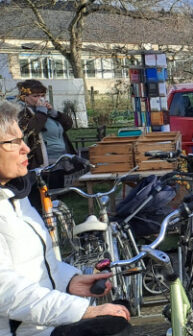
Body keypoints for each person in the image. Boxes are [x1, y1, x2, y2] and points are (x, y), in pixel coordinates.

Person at [0, 100, 131, 336]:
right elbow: (6, 292)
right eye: (14, 142)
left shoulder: (15, 197)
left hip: (43, 327)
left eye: (23, 139)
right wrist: (82, 311)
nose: (26, 149)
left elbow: (38, 265)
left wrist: (70, 281)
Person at [16, 80, 76, 169]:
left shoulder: (46, 112)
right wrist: (41, 112)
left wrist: (54, 113)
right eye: (35, 96)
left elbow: (68, 124)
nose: (41, 99)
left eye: (43, 95)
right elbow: (31, 130)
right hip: (44, 162)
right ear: (25, 98)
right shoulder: (23, 113)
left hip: (63, 157)